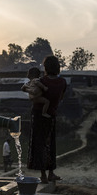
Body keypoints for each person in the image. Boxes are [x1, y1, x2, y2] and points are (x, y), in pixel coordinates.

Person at [26, 55, 67, 184]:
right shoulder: (62, 82)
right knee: (50, 143)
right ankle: (51, 173)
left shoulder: (41, 81)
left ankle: (43, 175)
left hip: (38, 115)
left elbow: (32, 97)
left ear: (46, 68)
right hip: (51, 114)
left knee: (39, 144)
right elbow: (60, 98)